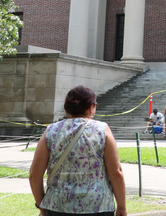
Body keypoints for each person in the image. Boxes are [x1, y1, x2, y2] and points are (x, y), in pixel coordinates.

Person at [29, 85, 127, 216]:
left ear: (66, 108)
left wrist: (41, 204)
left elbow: (35, 174)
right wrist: (122, 206)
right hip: (98, 206)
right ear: (91, 107)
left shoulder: (51, 131)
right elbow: (116, 172)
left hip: (57, 206)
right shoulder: (102, 130)